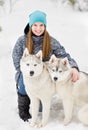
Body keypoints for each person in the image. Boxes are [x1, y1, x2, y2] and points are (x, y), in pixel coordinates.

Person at [12, 10, 80, 122]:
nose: (38, 28)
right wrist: (24, 72)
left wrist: (74, 67)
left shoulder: (51, 41)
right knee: (23, 84)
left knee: (40, 108)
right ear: (30, 25)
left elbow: (64, 55)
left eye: (41, 25)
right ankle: (23, 108)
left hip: (45, 77)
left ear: (45, 26)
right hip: (27, 74)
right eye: (35, 25)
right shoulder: (22, 41)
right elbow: (16, 57)